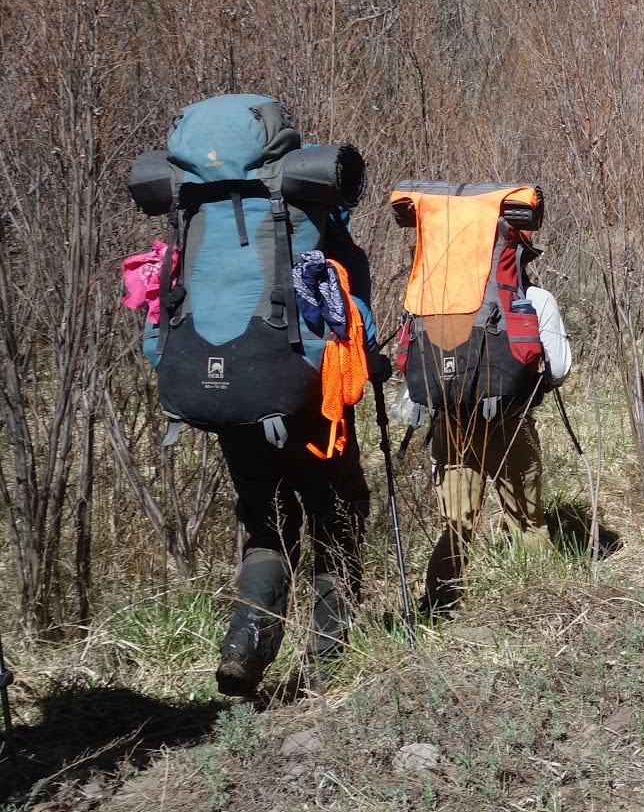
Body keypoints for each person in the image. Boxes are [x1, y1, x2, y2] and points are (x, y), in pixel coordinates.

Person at [125, 93, 380, 698]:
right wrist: (371, 355)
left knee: (266, 523)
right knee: (338, 510)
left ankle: (245, 644)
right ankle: (329, 653)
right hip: (305, 399)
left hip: (226, 389)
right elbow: (350, 309)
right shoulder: (306, 210)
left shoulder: (196, 207)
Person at [417, 282, 572, 613]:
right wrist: (536, 386)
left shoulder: (435, 295)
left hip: (450, 424)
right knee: (526, 520)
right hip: (510, 422)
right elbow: (559, 367)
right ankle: (536, 602)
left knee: (456, 525)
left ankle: (439, 606)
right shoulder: (533, 297)